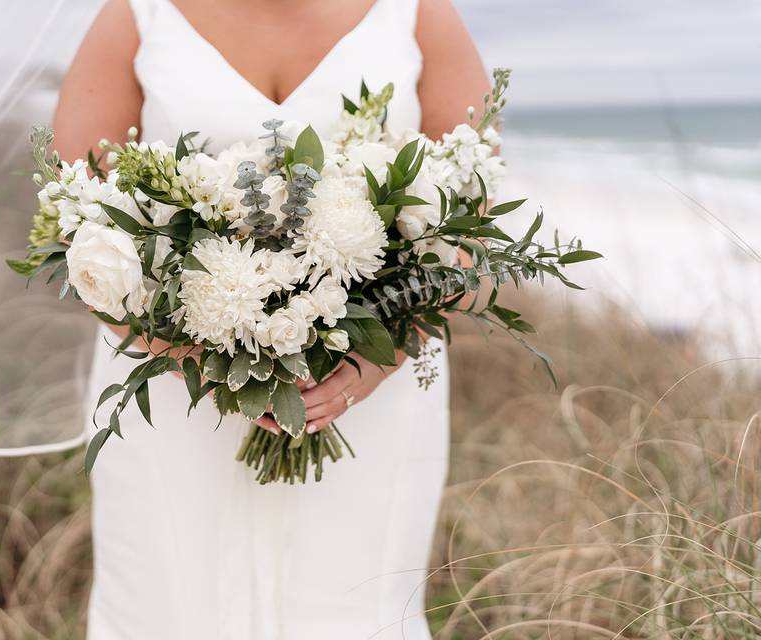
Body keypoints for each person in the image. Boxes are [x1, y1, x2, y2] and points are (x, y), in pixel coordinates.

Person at [53, 1, 489, 637]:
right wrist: (199, 362)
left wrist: (374, 363)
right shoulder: (139, 12)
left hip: (373, 387)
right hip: (173, 393)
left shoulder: (416, 11)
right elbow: (79, 229)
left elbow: (470, 227)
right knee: (170, 606)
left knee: (351, 604)